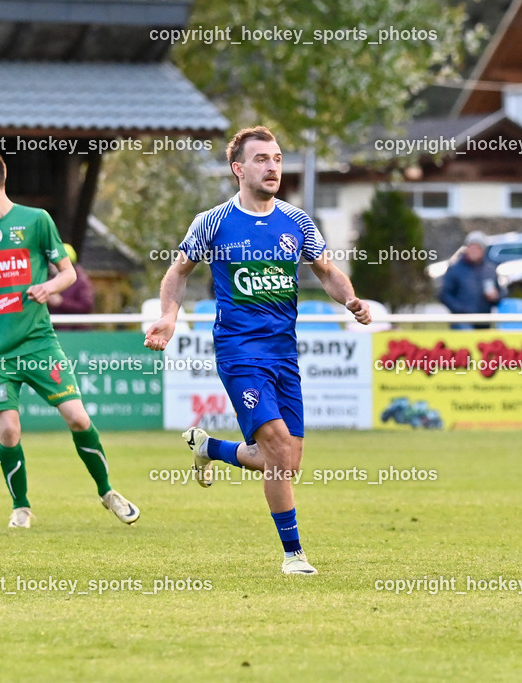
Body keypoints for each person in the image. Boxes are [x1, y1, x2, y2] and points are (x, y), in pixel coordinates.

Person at [144, 126, 371, 575]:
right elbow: (178, 272)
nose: (273, 167)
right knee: (279, 450)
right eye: (262, 159)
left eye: (278, 159)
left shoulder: (298, 222)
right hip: (239, 350)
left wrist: (349, 299)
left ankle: (210, 448)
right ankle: (293, 555)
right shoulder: (213, 221)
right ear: (238, 168)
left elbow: (326, 271)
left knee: (286, 460)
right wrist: (169, 317)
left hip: (284, 352)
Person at [0, 151, 139, 529]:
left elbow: (67, 274)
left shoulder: (37, 221)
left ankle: (107, 491)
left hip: (38, 343)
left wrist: (47, 286)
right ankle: (21, 506)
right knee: (9, 430)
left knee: (78, 418)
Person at [439, 230, 501, 329]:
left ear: (483, 250)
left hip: (483, 320)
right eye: (471, 247)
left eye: (477, 248)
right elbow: (445, 294)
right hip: (462, 321)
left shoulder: (490, 270)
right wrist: (460, 310)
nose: (474, 251)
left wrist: (495, 297)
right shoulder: (455, 268)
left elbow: (500, 294)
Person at [48, 243, 95, 329]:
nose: (50, 264)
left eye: (54, 260)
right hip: (55, 332)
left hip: (77, 334)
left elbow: (86, 307)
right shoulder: (49, 280)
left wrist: (61, 302)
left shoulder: (82, 282)